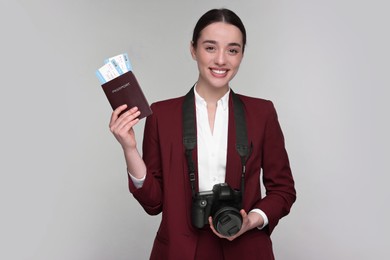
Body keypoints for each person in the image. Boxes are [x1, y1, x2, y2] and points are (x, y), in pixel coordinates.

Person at [109, 8, 296, 260]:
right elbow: (153, 203)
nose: (221, 60)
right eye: (210, 48)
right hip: (180, 251)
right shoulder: (161, 115)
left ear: (241, 55)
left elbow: (283, 190)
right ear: (193, 49)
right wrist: (129, 149)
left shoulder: (262, 112)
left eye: (232, 50)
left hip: (245, 249)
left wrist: (251, 220)